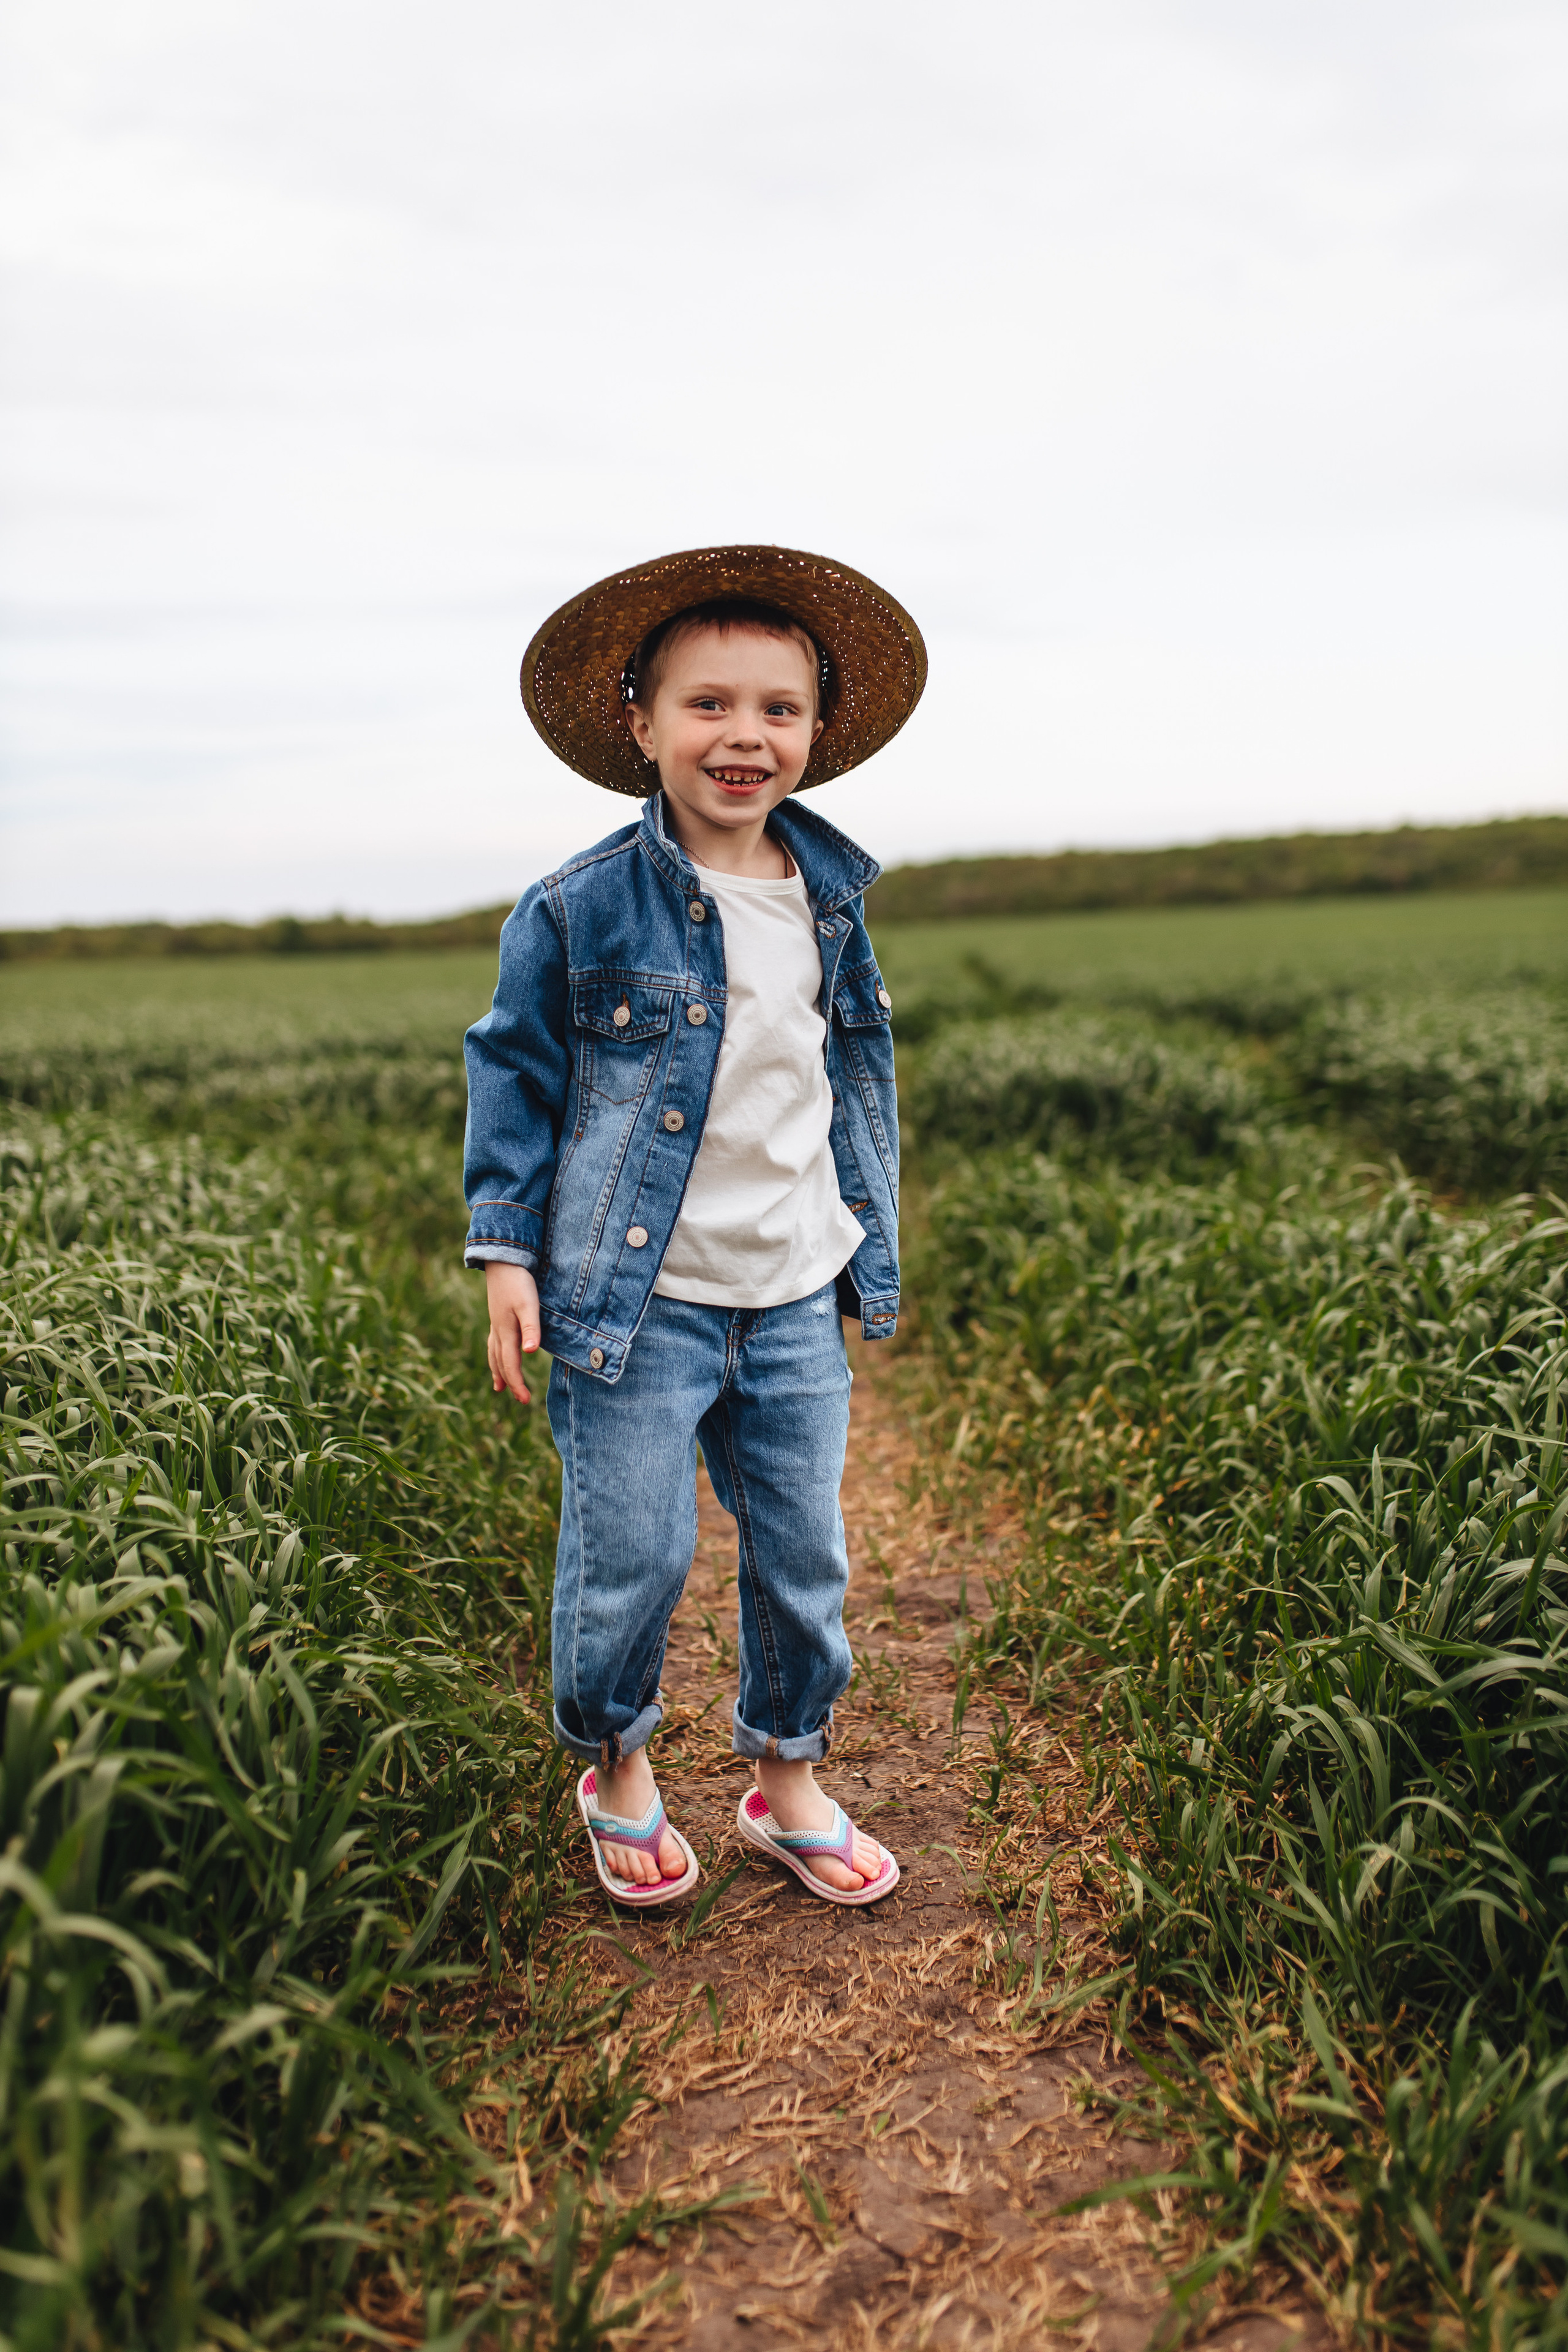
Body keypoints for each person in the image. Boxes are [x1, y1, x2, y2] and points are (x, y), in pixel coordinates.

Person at [464, 545, 925, 1909]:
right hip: (632, 1298)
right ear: (640, 722)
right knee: (636, 1552)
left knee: (801, 1554)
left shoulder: (831, 900)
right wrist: (504, 1252)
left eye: (777, 710)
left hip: (787, 1287)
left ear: (814, 732)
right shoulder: (574, 906)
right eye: (708, 705)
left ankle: (784, 1780)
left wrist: (862, 1239)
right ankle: (614, 1766)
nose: (744, 736)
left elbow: (839, 1084)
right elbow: (515, 1072)